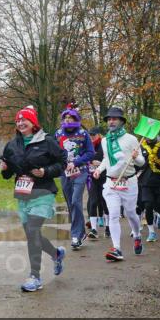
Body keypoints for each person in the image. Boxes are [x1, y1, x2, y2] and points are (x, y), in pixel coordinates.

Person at [1, 105, 67, 292]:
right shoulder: (12, 145)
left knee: (32, 231)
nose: (21, 123)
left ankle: (35, 276)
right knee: (33, 234)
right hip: (23, 195)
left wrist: (45, 171)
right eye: (18, 120)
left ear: (33, 123)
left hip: (43, 192)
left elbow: (62, 163)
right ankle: (56, 254)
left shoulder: (47, 142)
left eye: (25, 120)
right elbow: (8, 172)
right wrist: (5, 170)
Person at [92, 107, 145, 261]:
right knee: (113, 215)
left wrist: (136, 157)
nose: (111, 121)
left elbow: (142, 162)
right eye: (109, 119)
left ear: (122, 121)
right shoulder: (104, 140)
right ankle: (117, 248)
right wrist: (100, 170)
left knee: (130, 214)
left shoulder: (131, 139)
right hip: (111, 183)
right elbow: (106, 160)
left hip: (129, 182)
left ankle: (137, 234)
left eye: (114, 119)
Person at [54, 103, 94, 250]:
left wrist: (76, 162)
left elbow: (90, 153)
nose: (68, 120)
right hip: (65, 173)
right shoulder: (58, 134)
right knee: (70, 203)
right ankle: (81, 232)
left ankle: (75, 235)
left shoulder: (83, 134)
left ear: (76, 119)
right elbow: (54, 152)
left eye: (71, 118)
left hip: (80, 171)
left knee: (76, 201)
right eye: (66, 118)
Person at [85, 126, 108, 240]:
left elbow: (110, 159)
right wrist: (90, 162)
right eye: (90, 135)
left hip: (104, 177)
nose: (92, 137)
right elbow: (84, 157)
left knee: (104, 202)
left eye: (94, 135)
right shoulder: (88, 145)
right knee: (93, 201)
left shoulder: (104, 144)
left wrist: (100, 164)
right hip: (92, 178)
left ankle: (108, 227)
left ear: (99, 135)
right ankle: (93, 229)